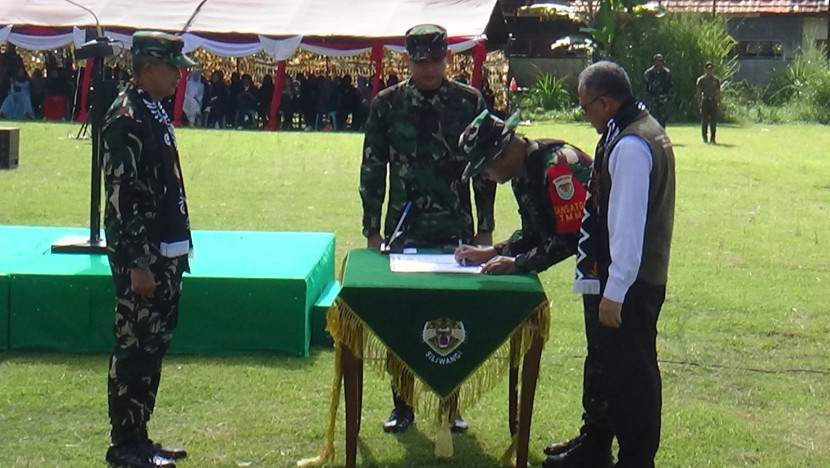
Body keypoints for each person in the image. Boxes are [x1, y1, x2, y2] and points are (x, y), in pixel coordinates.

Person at [359, 23, 496, 434]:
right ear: (408, 60)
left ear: (448, 58)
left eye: (436, 60)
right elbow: (372, 167)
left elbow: (485, 168)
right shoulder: (387, 104)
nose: (429, 69)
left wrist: (485, 229)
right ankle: (402, 405)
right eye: (421, 61)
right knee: (403, 317)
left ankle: (449, 401)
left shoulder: (470, 101)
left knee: (452, 317)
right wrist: (372, 230)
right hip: (405, 228)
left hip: (456, 227)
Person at [544, 60, 675, 468]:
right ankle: (599, 447)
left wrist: (614, 291)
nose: (585, 116)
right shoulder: (640, 128)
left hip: (631, 282)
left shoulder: (632, 145)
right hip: (634, 278)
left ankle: (636, 460)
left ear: (604, 102)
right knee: (619, 372)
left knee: (632, 379)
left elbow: (626, 225)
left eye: (585, 108)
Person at [101, 31, 196, 468]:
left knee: (153, 346)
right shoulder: (126, 115)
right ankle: (124, 446)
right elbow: (122, 197)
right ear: (148, 68)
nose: (179, 76)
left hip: (165, 248)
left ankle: (140, 436)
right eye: (173, 67)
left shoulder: (152, 110)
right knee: (134, 348)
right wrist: (137, 262)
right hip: (142, 253)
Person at [454, 109, 593, 276]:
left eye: (484, 168)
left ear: (502, 154)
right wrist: (492, 253)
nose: (484, 176)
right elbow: (533, 234)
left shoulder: (556, 168)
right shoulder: (523, 174)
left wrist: (520, 264)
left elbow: (571, 237)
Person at [642, 54, 671, 127]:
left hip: (663, 100)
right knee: (651, 119)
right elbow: (645, 88)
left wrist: (666, 98)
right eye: (657, 61)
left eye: (660, 61)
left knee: (662, 120)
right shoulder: (648, 73)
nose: (659, 63)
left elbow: (670, 87)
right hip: (652, 100)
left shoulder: (666, 73)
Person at [696, 60, 721, 144]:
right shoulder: (701, 80)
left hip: (713, 101)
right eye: (708, 69)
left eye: (711, 69)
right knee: (704, 121)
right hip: (705, 101)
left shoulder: (716, 80)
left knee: (713, 121)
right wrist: (699, 103)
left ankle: (713, 138)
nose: (709, 71)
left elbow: (718, 92)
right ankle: (705, 138)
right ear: (705, 69)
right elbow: (699, 92)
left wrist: (719, 102)